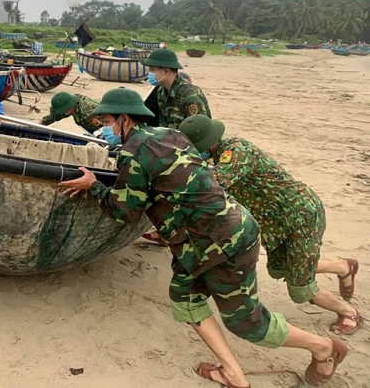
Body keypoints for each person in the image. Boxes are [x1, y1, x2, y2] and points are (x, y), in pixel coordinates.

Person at [59, 87, 348, 388]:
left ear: (124, 119)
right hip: (208, 238)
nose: (104, 128)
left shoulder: (133, 152)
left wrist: (93, 186)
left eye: (106, 121)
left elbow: (125, 211)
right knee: (185, 296)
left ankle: (325, 349)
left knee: (247, 323)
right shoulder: (171, 135)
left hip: (222, 244)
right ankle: (234, 374)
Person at [178, 114, 363, 335]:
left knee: (301, 289)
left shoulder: (235, 152)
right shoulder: (219, 154)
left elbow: (216, 181)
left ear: (208, 142)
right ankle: (343, 267)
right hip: (277, 223)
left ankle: (349, 312)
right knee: (279, 270)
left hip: (300, 216)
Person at [144, 49, 211, 128]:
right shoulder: (161, 92)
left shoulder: (189, 95)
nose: (149, 73)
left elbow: (200, 129)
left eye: (152, 70)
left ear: (165, 71)